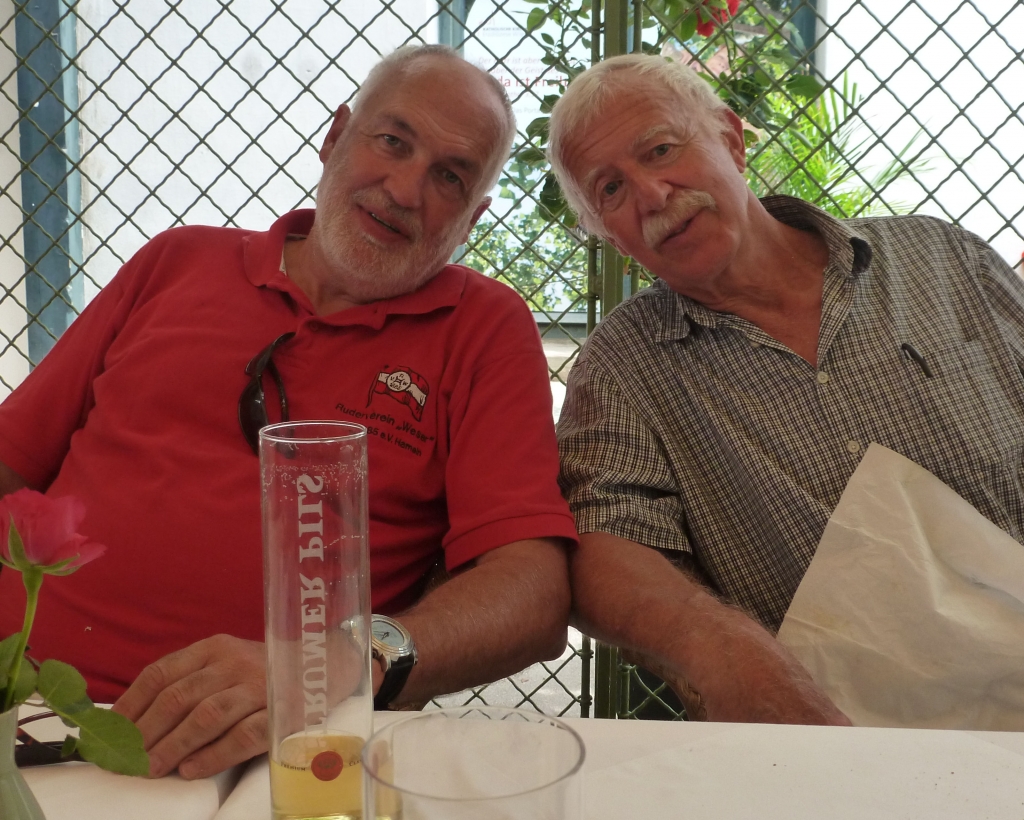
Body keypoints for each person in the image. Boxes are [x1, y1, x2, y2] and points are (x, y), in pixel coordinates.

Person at [0, 45, 577, 777]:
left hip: (260, 749)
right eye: (392, 141)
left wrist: (341, 662)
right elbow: (13, 459)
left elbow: (532, 592)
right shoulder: (177, 261)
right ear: (335, 137)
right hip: (21, 695)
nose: (405, 189)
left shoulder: (481, 328)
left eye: (450, 177)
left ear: (472, 219)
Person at [549, 53, 1024, 726]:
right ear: (608, 236)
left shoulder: (944, 260)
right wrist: (719, 650)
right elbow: (606, 543)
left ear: (730, 139)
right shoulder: (624, 368)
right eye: (610, 190)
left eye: (661, 149)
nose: (651, 194)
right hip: (835, 732)